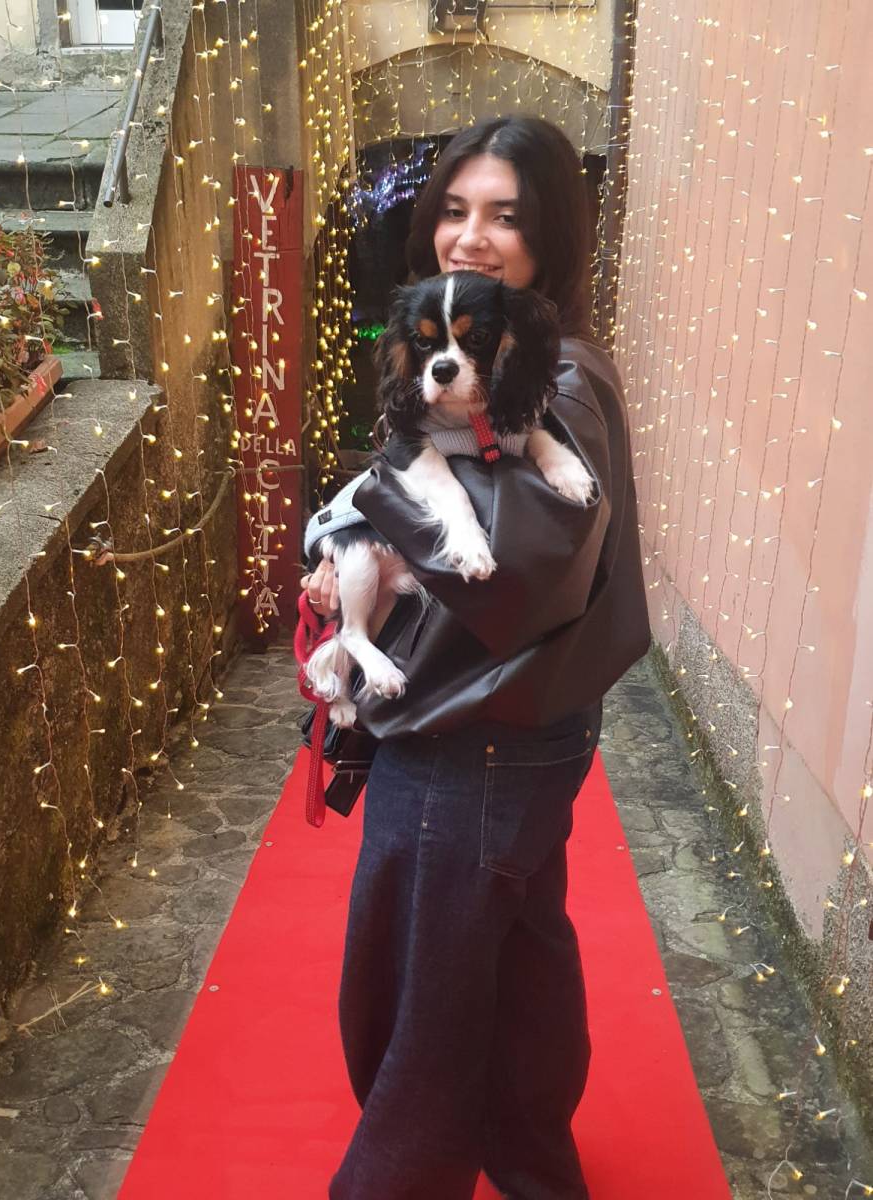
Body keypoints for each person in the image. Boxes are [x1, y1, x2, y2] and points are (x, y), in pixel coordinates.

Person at [300, 116, 651, 1200]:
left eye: (505, 215)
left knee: (420, 1008)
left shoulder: (557, 382)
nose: (471, 235)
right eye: (455, 210)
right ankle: (537, 1167)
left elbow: (513, 567)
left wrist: (367, 522)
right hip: (517, 728)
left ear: (552, 235)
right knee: (519, 966)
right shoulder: (510, 361)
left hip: (474, 737)